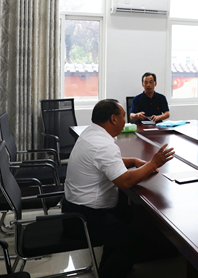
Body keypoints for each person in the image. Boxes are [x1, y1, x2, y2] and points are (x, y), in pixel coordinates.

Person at [63, 99, 175, 278]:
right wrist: (153, 163)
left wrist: (133, 161)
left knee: (127, 213)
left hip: (73, 207)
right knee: (134, 240)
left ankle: (107, 265)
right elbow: (125, 182)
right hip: (83, 217)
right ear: (113, 119)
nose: (126, 120)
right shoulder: (103, 145)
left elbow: (104, 162)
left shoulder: (91, 133)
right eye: (123, 116)